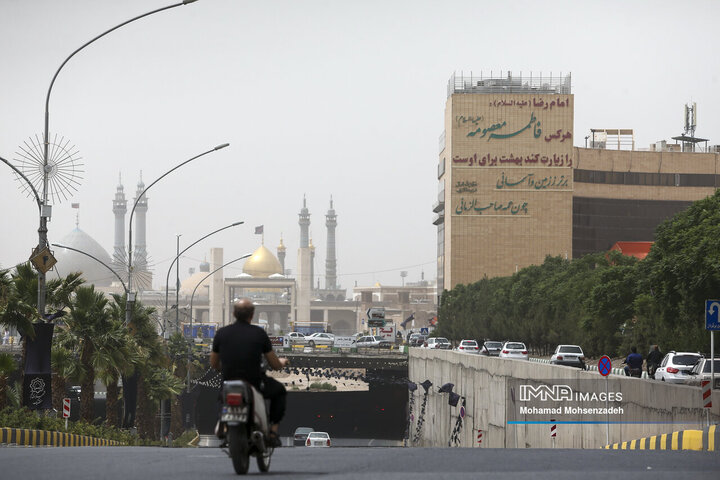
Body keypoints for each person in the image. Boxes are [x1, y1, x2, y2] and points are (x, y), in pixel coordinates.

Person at [211, 298, 289, 447]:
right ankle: (272, 432)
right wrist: (282, 362)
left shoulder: (222, 333)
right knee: (279, 391)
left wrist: (227, 367)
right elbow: (274, 364)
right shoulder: (259, 334)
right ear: (252, 315)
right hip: (254, 383)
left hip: (229, 381)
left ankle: (223, 423)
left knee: (222, 396)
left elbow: (214, 364)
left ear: (233, 313)